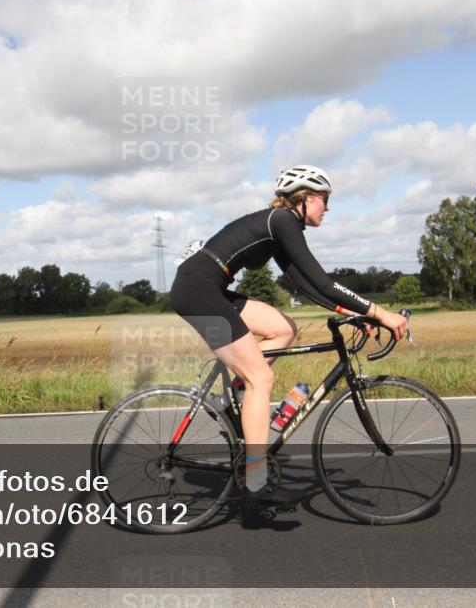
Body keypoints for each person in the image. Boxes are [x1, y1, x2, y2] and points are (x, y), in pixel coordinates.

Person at [170, 165, 410, 507]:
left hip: (208, 289)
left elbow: (307, 286)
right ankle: (255, 480)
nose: (328, 208)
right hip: (199, 292)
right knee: (262, 378)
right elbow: (325, 282)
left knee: (283, 329)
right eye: (324, 200)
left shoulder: (281, 225)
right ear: (305, 198)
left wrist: (355, 314)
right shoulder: (281, 222)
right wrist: (380, 312)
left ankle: (238, 391)